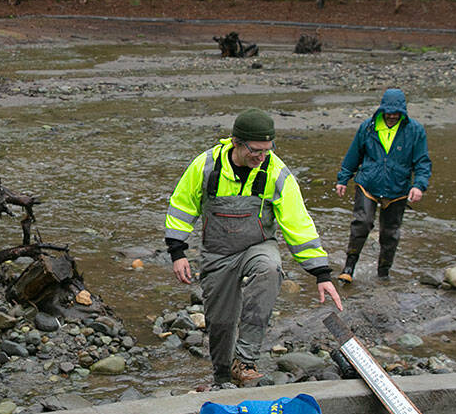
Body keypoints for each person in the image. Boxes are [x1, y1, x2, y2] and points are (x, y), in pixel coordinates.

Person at [164, 109, 343, 388]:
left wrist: (321, 273)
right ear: (237, 142)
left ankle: (245, 359)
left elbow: (297, 222)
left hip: (257, 247)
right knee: (220, 323)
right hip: (217, 254)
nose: (262, 157)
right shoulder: (206, 166)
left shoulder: (276, 171)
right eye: (256, 151)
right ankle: (223, 378)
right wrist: (177, 252)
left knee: (270, 269)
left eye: (267, 150)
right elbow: (182, 206)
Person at [334, 88, 432, 282]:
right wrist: (343, 179)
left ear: (403, 111)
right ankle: (349, 267)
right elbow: (354, 155)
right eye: (389, 111)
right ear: (382, 109)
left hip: (398, 188)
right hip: (368, 183)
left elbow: (422, 162)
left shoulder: (415, 131)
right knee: (361, 223)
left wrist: (419, 185)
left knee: (390, 233)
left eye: (397, 112)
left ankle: (383, 273)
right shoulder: (368, 128)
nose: (393, 115)